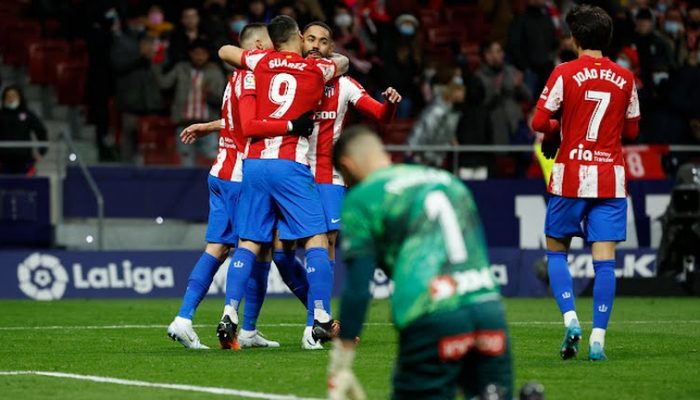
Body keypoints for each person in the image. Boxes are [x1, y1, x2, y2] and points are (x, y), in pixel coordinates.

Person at [327, 126, 513, 400]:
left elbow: (358, 285)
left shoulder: (363, 198)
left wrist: (343, 354)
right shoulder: (447, 180)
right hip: (489, 311)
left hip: (431, 316)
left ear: (347, 165)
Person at [263, 21, 401, 350]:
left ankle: (315, 325)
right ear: (299, 41)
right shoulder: (289, 76)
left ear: (331, 48)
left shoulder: (345, 85)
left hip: (328, 177)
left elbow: (381, 116)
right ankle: (322, 317)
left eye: (323, 41)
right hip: (290, 171)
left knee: (324, 247)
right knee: (281, 256)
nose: (315, 45)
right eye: (310, 38)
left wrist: (392, 103)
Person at [215, 15, 349, 349]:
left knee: (248, 240)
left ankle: (229, 313)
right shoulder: (317, 70)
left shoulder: (260, 61)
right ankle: (319, 317)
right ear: (299, 39)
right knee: (317, 239)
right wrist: (324, 57)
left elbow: (224, 51)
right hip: (290, 164)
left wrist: (265, 55)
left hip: (255, 164)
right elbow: (343, 62)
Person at [532, 5, 641, 361]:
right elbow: (633, 130)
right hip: (610, 177)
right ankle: (598, 340)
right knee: (605, 262)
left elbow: (538, 121)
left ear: (576, 39)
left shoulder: (564, 72)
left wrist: (559, 127)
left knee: (556, 251)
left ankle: (570, 319)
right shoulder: (625, 78)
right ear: (607, 39)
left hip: (571, 175)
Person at [152, 39, 226, 166]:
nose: (199, 57)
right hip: (184, 125)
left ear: (208, 55)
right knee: (185, 164)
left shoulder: (215, 71)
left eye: (203, 53)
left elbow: (223, 99)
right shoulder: (181, 68)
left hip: (207, 127)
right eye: (196, 53)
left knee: (213, 163)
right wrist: (157, 62)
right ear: (190, 54)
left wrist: (209, 95)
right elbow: (163, 84)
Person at [406, 82, 465, 167]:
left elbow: (447, 130)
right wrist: (417, 151)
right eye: (460, 93)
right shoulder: (437, 110)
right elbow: (427, 131)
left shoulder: (452, 112)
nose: (462, 97)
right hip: (419, 156)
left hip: (434, 156)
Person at [0, 86, 48, 175]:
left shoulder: (28, 114)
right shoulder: (1, 115)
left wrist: (42, 151)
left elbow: (41, 131)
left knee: (25, 187)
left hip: (24, 160)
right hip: (3, 161)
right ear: (4, 98)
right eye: (8, 96)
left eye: (14, 96)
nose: (11, 99)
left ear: (19, 97)